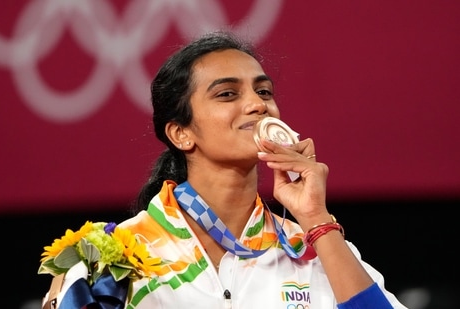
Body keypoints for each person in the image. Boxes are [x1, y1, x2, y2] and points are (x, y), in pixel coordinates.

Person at [43, 30, 407, 309]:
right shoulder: (107, 258)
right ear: (181, 133)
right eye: (227, 94)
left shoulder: (313, 250)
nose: (257, 105)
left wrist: (316, 218)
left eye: (264, 92)